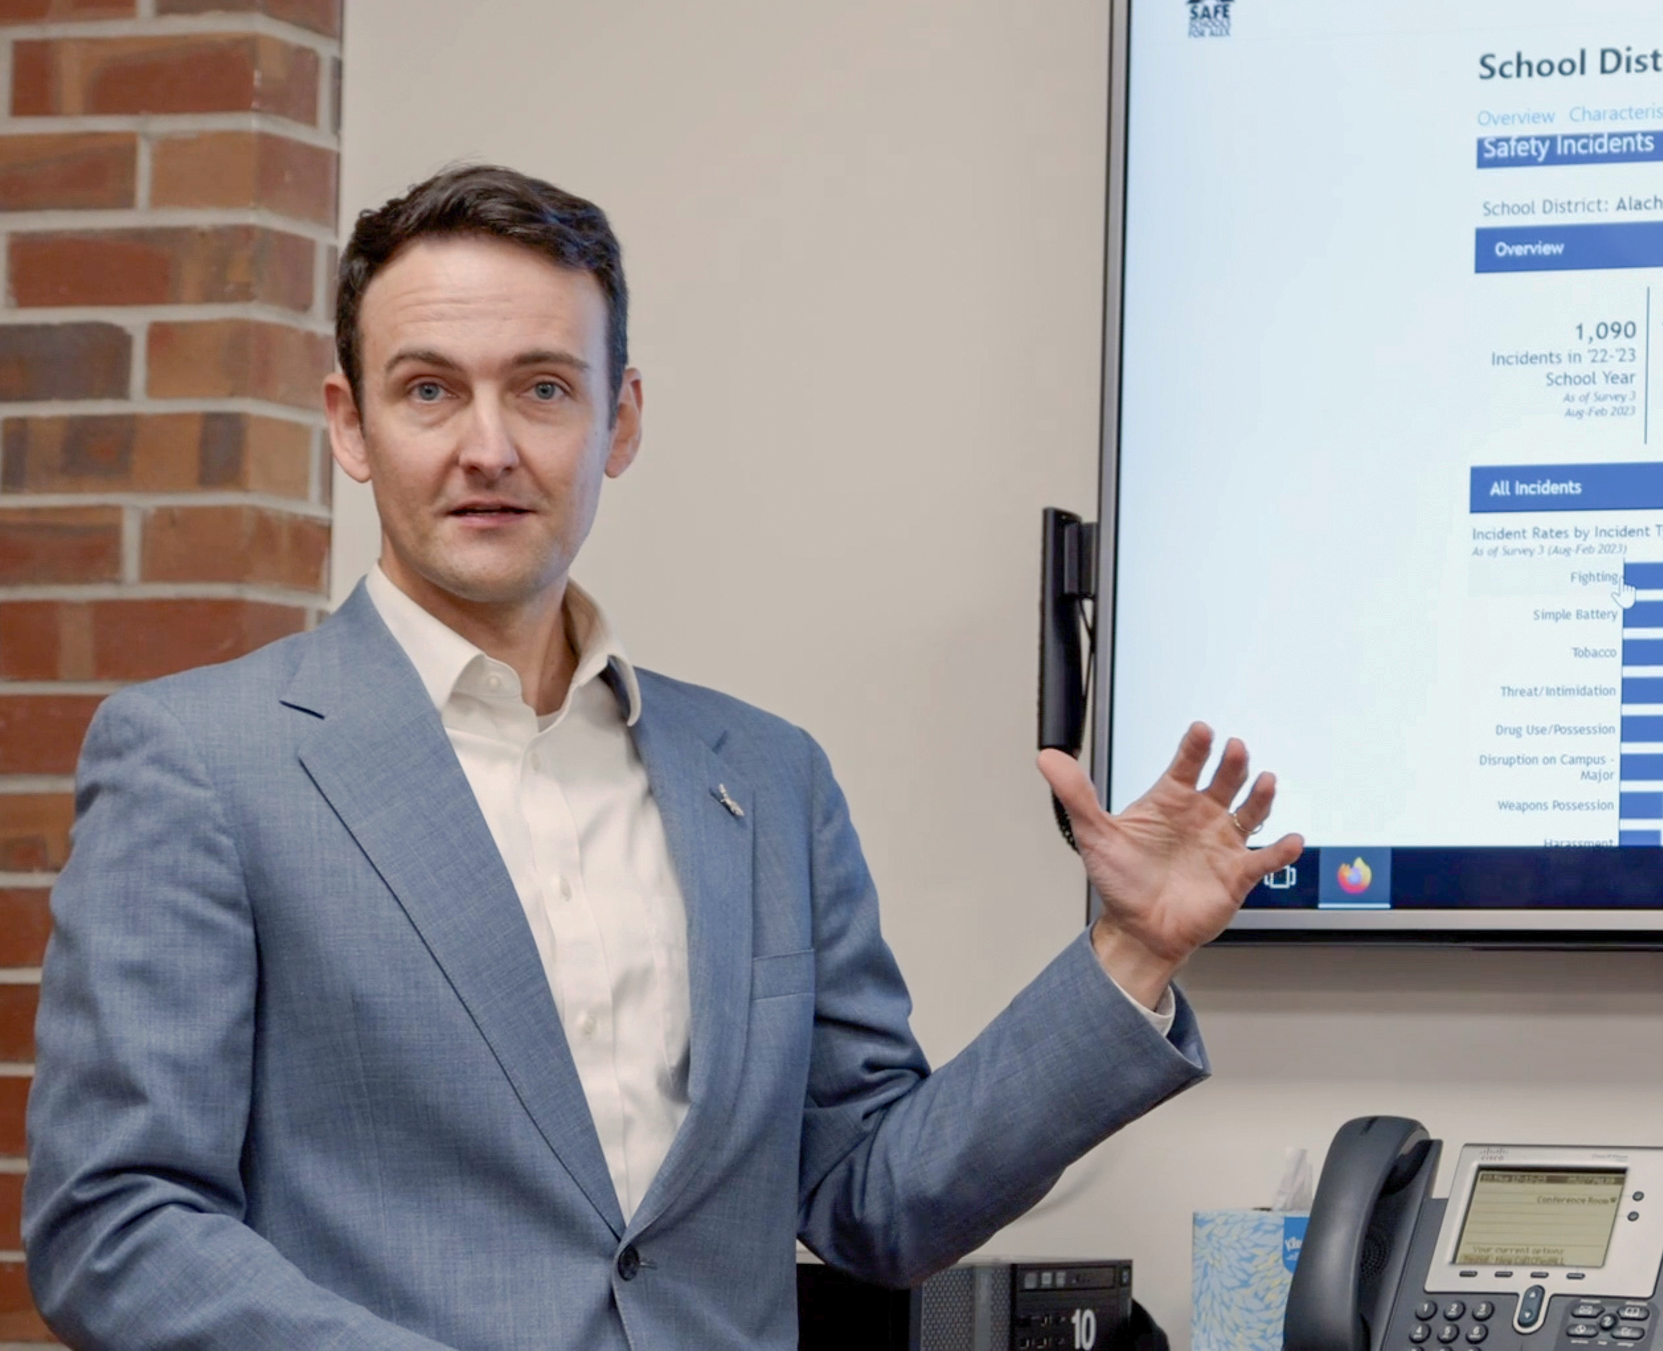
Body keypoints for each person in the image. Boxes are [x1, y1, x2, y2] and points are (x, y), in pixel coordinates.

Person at [22, 166, 1302, 1350]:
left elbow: (875, 1203)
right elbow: (117, 1224)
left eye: (542, 387)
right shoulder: (200, 760)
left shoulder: (766, 778)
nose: (488, 446)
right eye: (428, 390)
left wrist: (1129, 954)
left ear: (617, 420)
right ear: (350, 427)